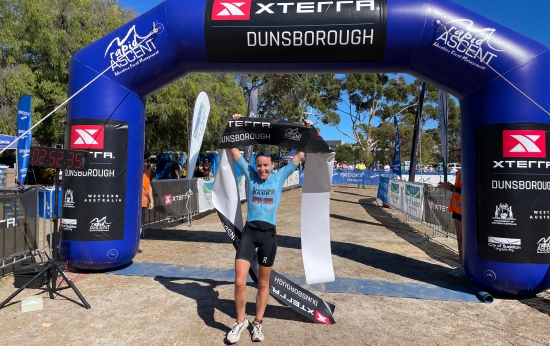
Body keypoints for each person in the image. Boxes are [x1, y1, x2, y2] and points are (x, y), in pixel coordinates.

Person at [225, 113, 311, 344]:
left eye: (266, 166)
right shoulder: (250, 174)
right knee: (241, 281)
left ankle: (258, 323)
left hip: (268, 236)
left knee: (264, 283)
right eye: (259, 165)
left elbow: (301, 154)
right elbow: (234, 151)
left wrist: (308, 130)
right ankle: (240, 321)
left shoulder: (280, 176)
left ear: (273, 166)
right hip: (250, 233)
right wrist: (236, 124)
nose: (262, 169)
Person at [437, 148, 466, 279]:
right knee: (460, 240)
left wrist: (452, 188)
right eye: (457, 156)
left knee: (464, 241)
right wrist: (452, 189)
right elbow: (458, 191)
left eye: (461, 155)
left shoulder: (469, 171)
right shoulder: (459, 172)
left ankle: (465, 267)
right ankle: (461, 266)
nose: (458, 158)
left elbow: (468, 192)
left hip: (465, 212)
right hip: (457, 210)